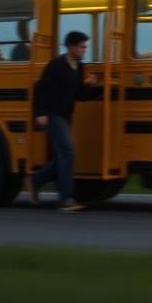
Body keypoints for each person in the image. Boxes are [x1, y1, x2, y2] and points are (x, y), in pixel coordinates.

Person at [26, 31, 98, 212]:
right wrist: (40, 113)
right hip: (53, 115)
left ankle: (35, 180)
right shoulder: (56, 65)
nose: (84, 49)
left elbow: (79, 95)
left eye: (85, 46)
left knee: (63, 156)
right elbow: (40, 89)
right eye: (81, 46)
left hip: (66, 116)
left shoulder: (79, 68)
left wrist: (90, 85)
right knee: (68, 152)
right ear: (71, 47)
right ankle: (65, 199)